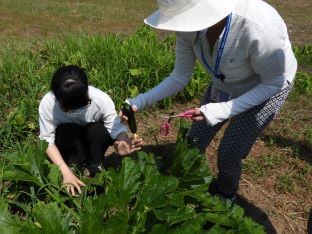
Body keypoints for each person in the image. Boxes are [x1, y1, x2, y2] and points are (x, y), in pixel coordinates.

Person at [124, 0, 297, 200]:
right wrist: (138, 102)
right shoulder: (187, 26)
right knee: (194, 140)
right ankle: (188, 179)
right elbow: (180, 76)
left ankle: (226, 193)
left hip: (265, 87)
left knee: (230, 152)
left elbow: (273, 82)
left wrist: (220, 110)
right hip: (224, 82)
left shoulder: (259, 27)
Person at [39, 65, 143, 196]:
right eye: (68, 109)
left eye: (83, 105)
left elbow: (114, 125)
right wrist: (65, 173)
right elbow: (47, 140)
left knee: (98, 130)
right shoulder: (48, 104)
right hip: (69, 139)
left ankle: (94, 164)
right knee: (66, 130)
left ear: (87, 90)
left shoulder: (100, 99)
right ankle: (73, 166)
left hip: (92, 139)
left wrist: (122, 141)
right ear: (56, 97)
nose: (76, 111)